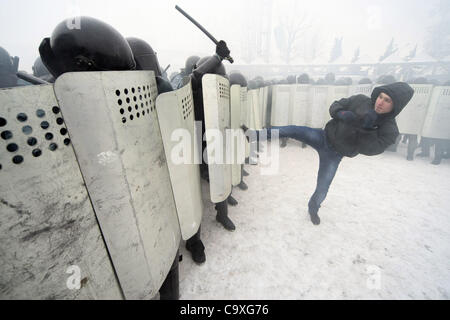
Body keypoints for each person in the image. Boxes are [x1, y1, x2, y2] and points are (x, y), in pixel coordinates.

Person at [243, 82, 414, 225]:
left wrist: (367, 130)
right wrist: (341, 113)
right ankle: (256, 134)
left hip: (335, 155)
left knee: (323, 186)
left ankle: (313, 208)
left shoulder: (389, 129)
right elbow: (336, 105)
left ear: (395, 106)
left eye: (387, 101)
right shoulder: (361, 101)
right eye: (381, 97)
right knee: (292, 130)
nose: (381, 102)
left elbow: (372, 149)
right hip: (323, 136)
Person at [184, 41, 236, 265]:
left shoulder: (218, 87)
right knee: (189, 189)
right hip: (188, 138)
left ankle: (221, 213)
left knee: (219, 174)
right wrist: (217, 57)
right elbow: (194, 79)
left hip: (212, 137)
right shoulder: (186, 82)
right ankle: (194, 239)